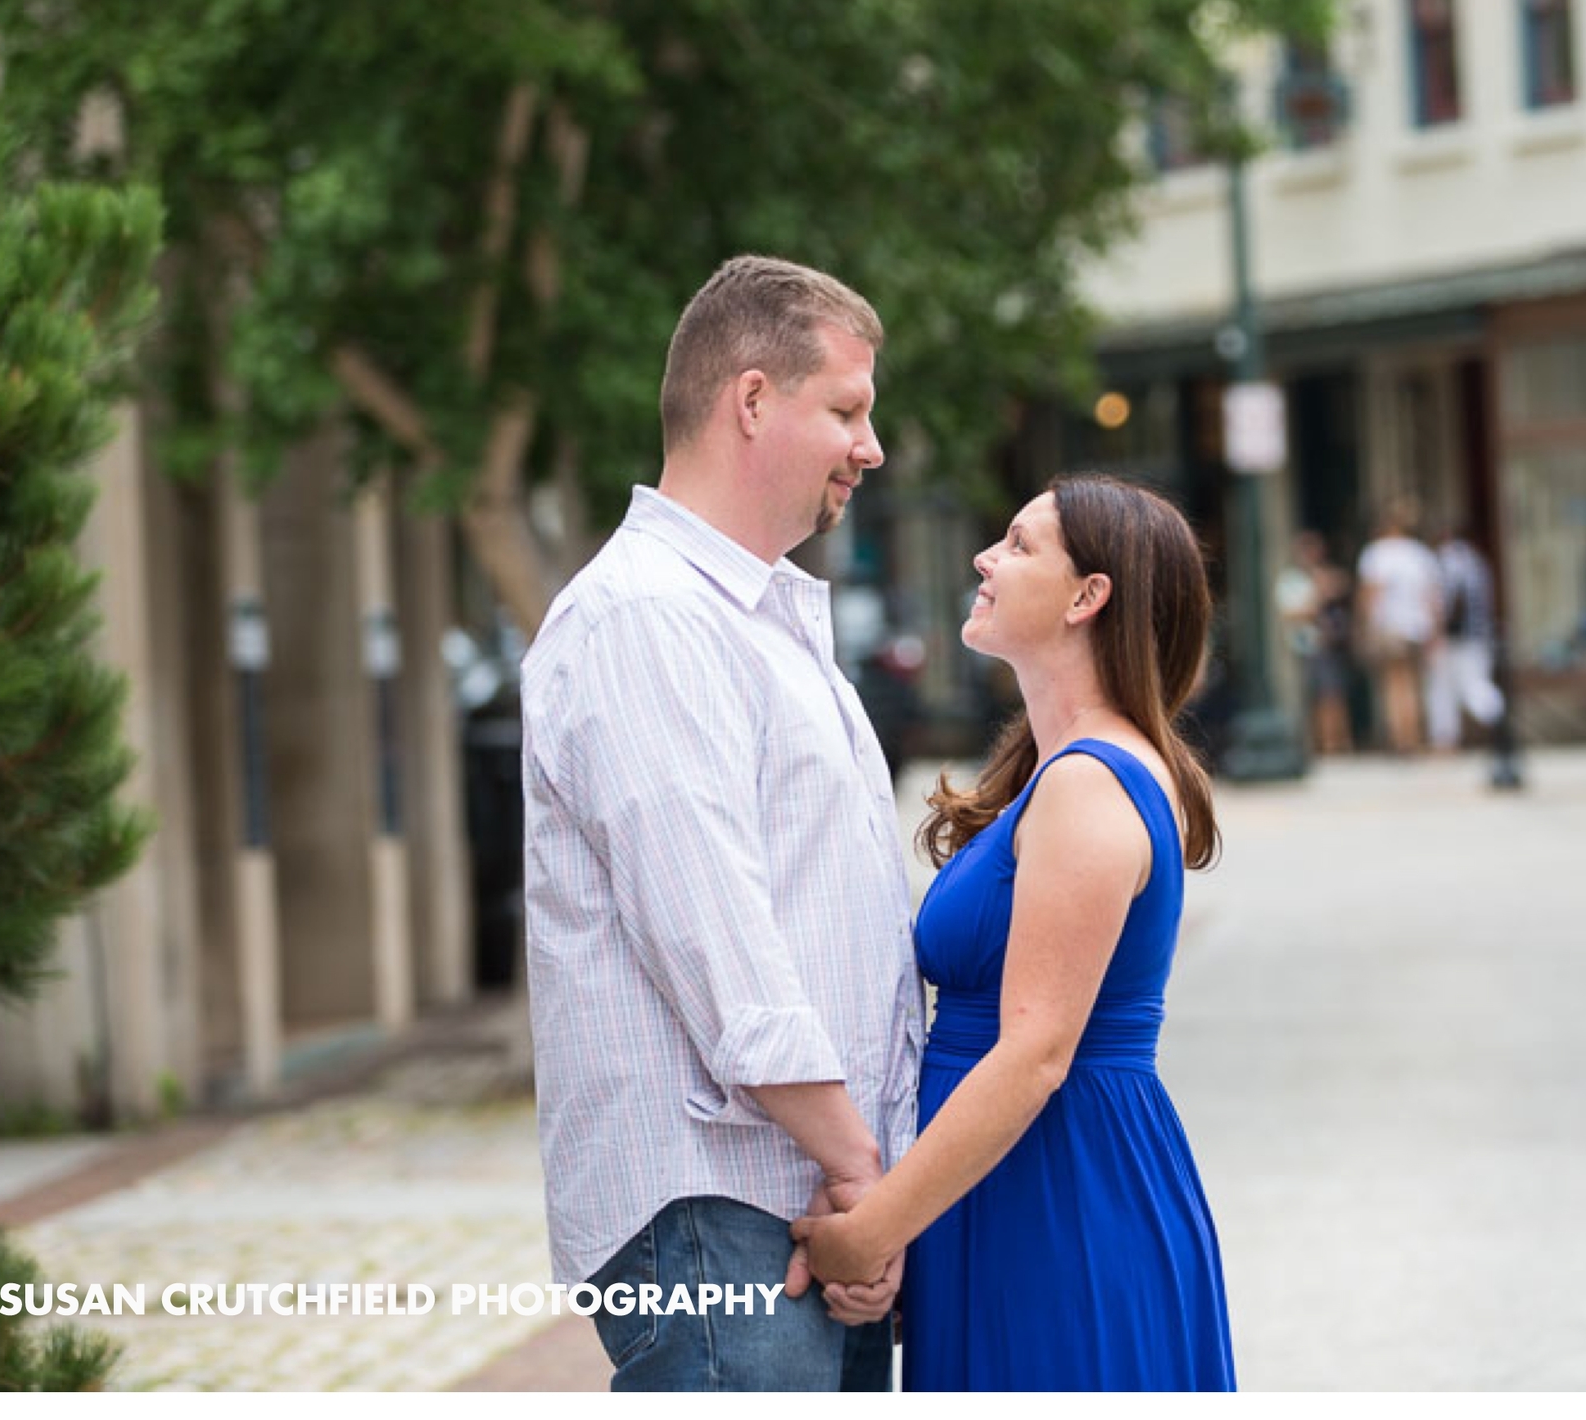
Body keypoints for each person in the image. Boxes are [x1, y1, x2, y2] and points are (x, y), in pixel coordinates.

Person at [518, 254, 920, 1392]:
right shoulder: (642, 618)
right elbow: (721, 947)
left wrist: (864, 1194)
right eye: (845, 409)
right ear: (751, 399)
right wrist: (865, 1177)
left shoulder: (760, 622)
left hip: (800, 1207)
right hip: (718, 1212)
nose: (869, 447)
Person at [789, 473, 1236, 1391]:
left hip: (1060, 1195)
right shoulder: (1061, 772)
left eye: (1020, 546)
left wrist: (871, 1233)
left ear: (1088, 597)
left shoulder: (1089, 784)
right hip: (1004, 1190)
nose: (986, 560)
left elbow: (1036, 1051)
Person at [1355, 498, 1444, 754]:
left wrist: (1365, 625)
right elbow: (1432, 597)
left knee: (1394, 683)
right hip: (1417, 626)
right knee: (1413, 682)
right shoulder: (1419, 554)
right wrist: (1435, 630)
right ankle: (1413, 735)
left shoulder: (1377, 554)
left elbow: (1371, 594)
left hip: (1390, 625)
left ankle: (1401, 738)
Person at [1276, 529, 1355, 756]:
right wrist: (1317, 598)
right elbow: (1291, 613)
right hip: (1306, 646)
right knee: (1317, 696)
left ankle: (1340, 741)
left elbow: (1343, 588)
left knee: (1334, 694)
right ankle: (1323, 743)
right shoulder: (1291, 580)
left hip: (1330, 643)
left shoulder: (1324, 574)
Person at [1427, 525, 1505, 750]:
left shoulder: (1451, 561)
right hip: (1477, 634)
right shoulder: (1478, 562)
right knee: (1461, 686)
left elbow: (1448, 602)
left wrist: (1437, 631)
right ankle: (1449, 738)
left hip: (1458, 637)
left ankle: (1495, 720)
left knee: (1460, 688)